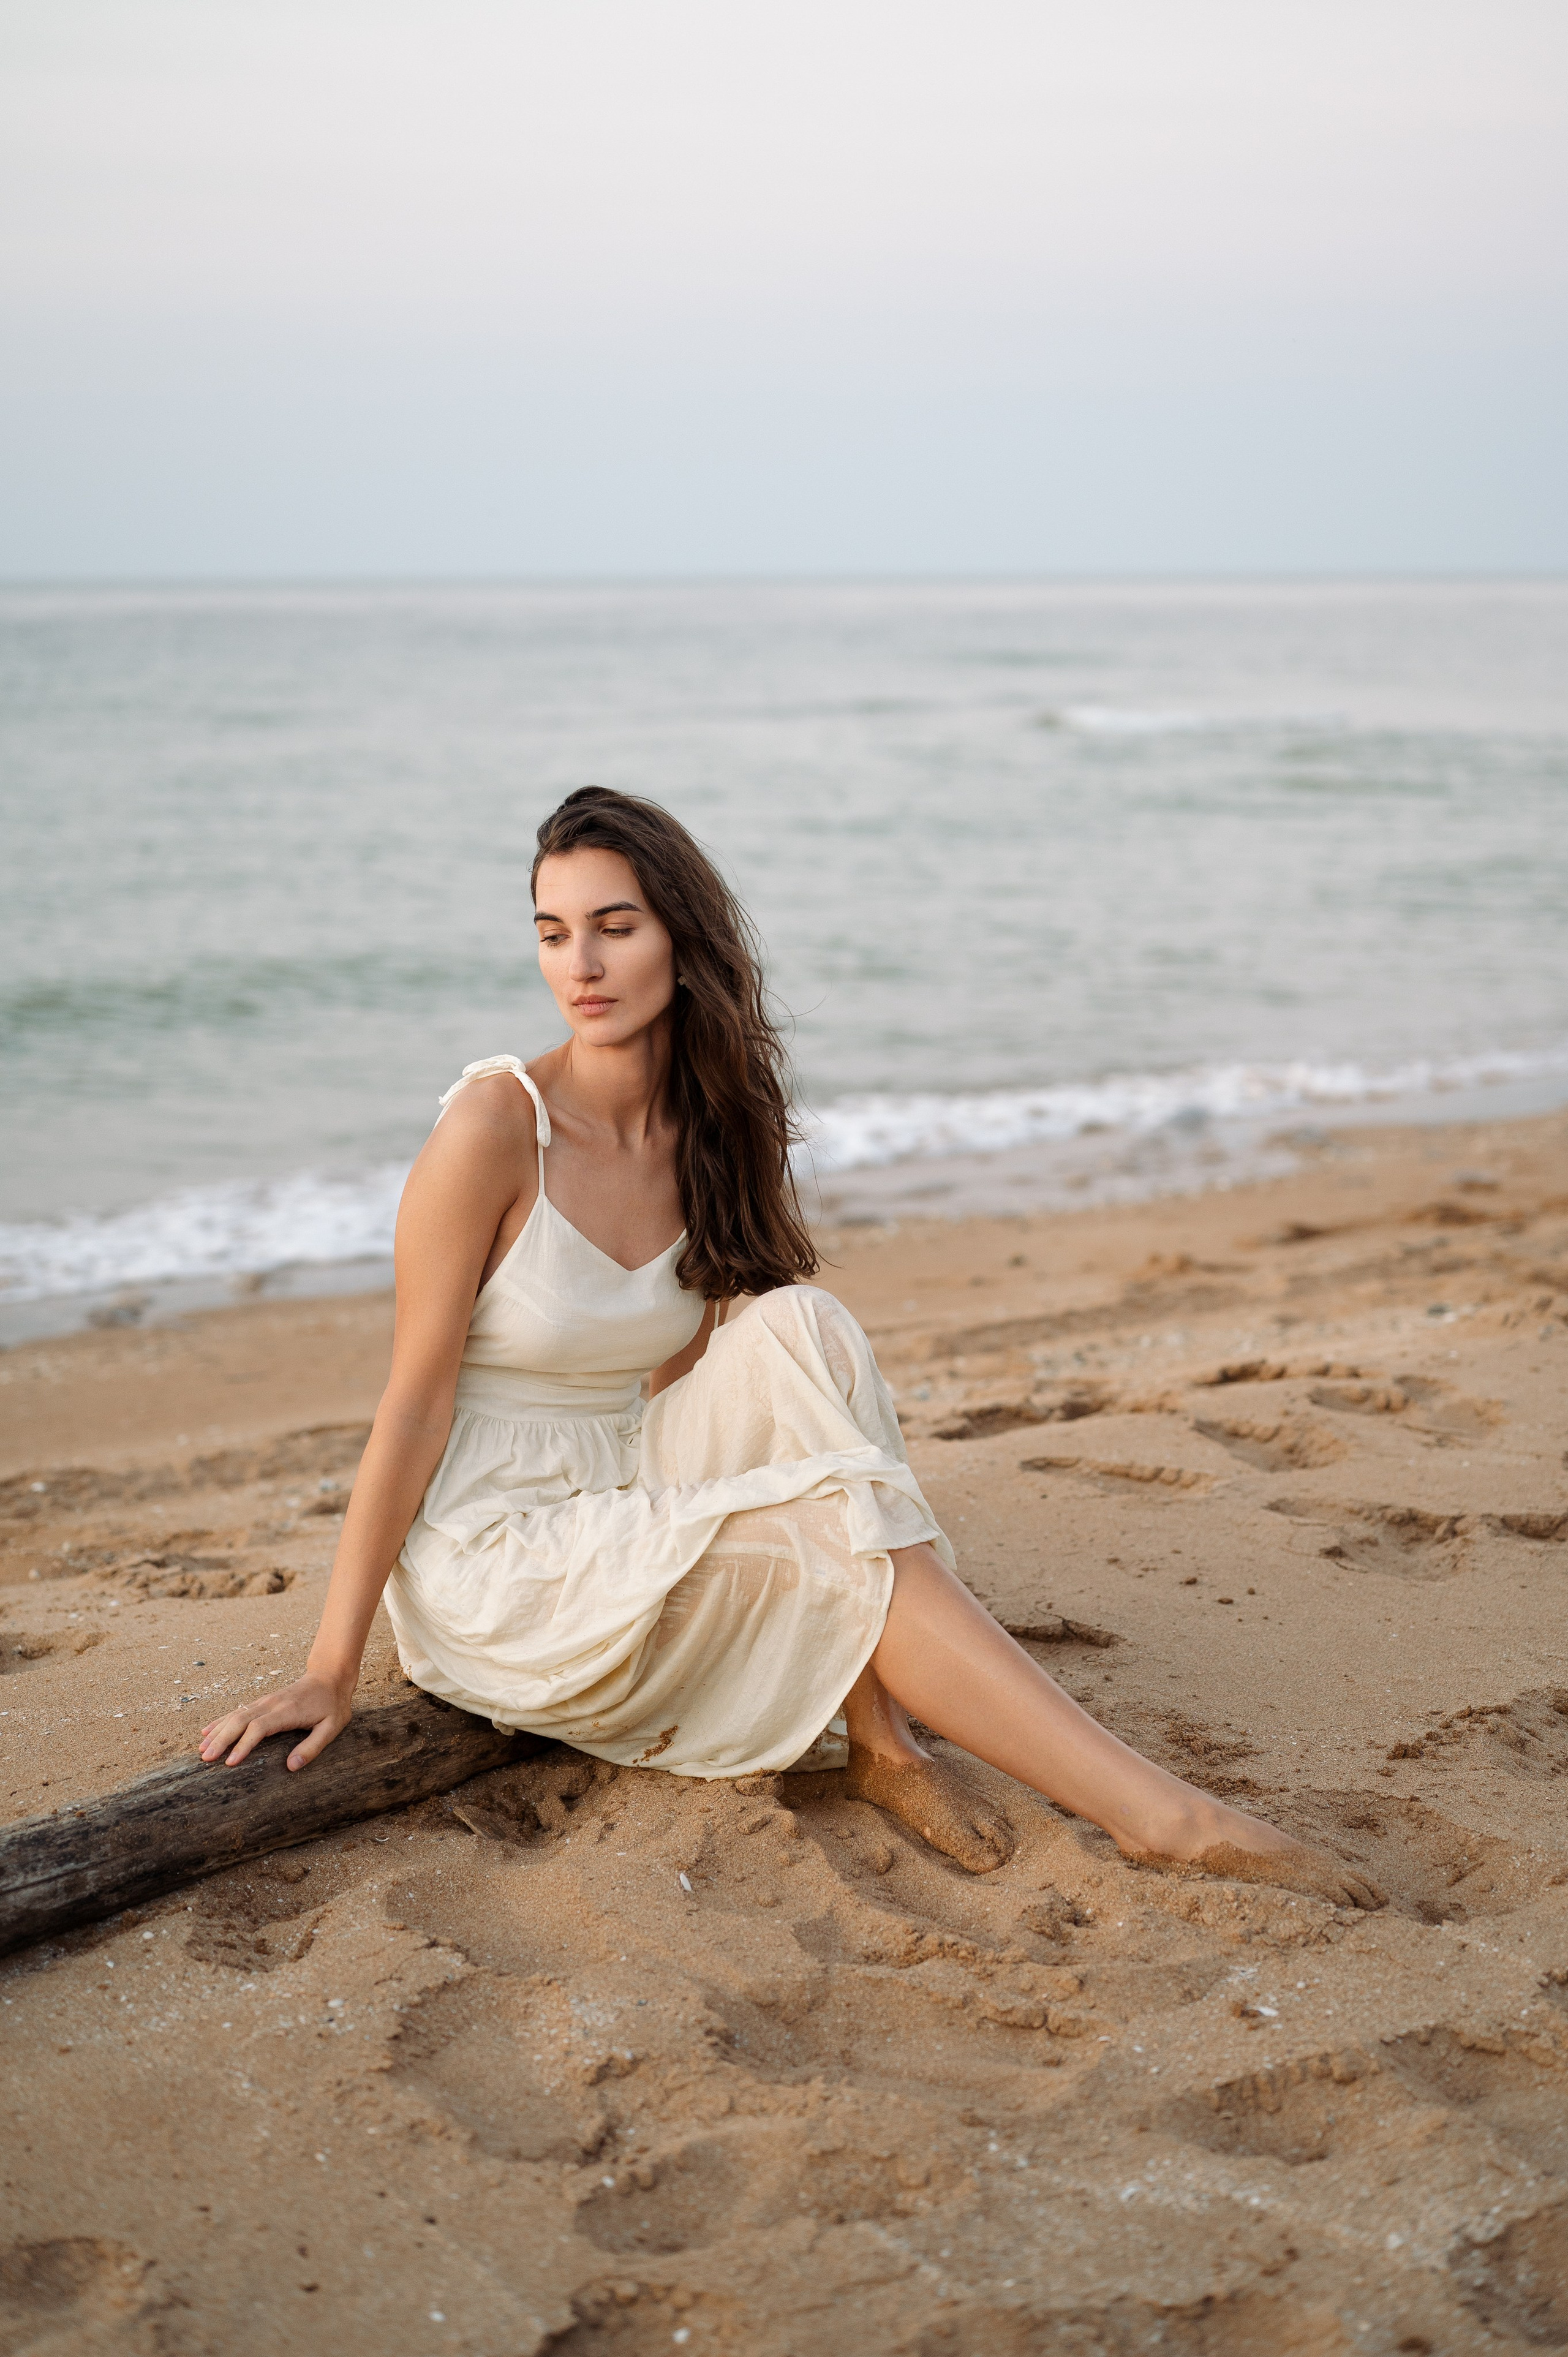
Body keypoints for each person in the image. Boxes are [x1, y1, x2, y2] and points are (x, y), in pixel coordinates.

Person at [200, 788, 1381, 1907]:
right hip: (500, 1544)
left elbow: (706, 1369)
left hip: (624, 1472)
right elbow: (412, 1406)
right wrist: (331, 1667)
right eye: (554, 934)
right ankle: (1161, 1818)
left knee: (801, 1324)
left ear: (683, 938)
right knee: (825, 1522)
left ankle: (883, 1740)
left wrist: (724, 1489)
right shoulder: (495, 1127)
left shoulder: (716, 1121)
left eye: (616, 926)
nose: (582, 966)